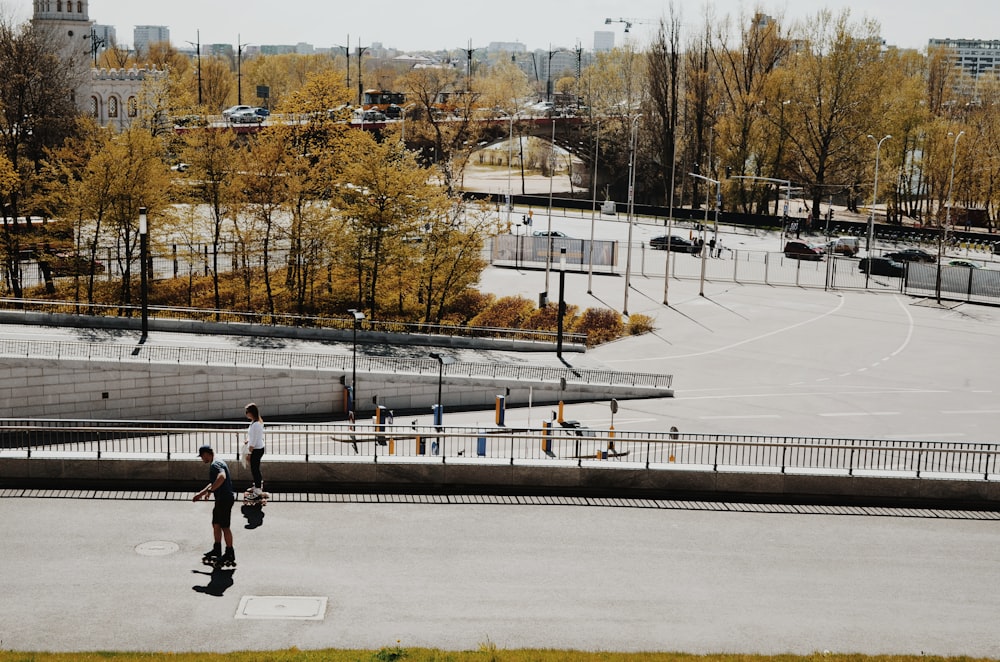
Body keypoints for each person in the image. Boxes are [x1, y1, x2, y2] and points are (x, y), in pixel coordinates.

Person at [193, 445, 236, 566]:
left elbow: (222, 477)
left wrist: (211, 492)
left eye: (202, 456)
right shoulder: (217, 461)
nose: (202, 459)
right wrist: (201, 494)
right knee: (216, 524)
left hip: (225, 499)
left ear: (207, 454)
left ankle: (229, 552)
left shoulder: (215, 464)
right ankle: (217, 548)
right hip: (221, 499)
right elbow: (213, 482)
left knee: (224, 526)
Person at [244, 403, 265, 499]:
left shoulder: (256, 424)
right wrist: (248, 440)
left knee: (255, 469)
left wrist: (249, 453)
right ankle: (257, 486)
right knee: (255, 469)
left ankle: (257, 490)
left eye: (247, 412)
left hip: (256, 450)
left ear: (252, 412)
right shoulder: (256, 422)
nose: (246, 414)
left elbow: (254, 440)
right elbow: (253, 437)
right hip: (258, 448)